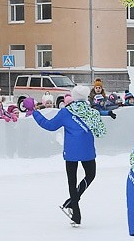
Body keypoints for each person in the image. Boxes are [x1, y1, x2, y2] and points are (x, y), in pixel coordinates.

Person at [33, 85, 106, 227]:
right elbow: (100, 132)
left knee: (71, 181)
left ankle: (76, 212)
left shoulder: (65, 112)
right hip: (87, 150)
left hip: (71, 151)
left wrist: (35, 113)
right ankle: (72, 202)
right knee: (90, 175)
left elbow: (50, 125)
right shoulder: (92, 112)